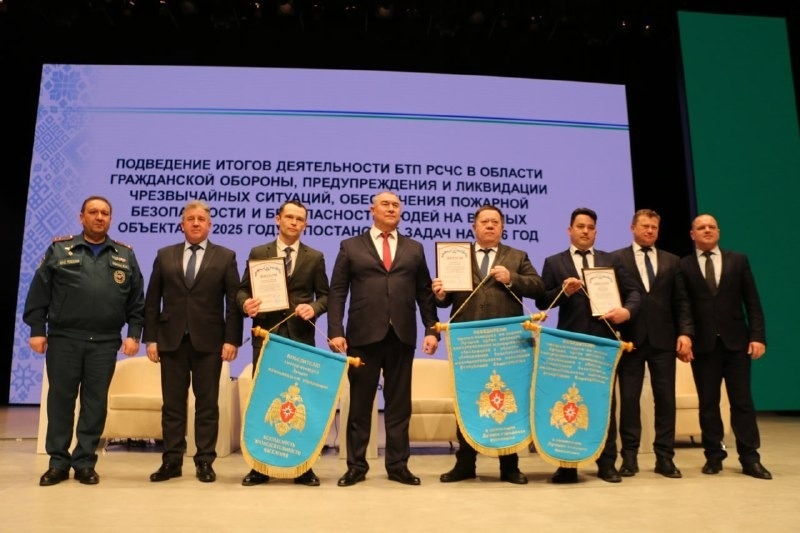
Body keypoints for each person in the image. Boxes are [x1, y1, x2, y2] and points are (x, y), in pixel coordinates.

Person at [24, 196, 145, 486]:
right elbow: (39, 293)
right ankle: (57, 462)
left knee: (95, 404)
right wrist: (37, 329)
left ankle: (84, 462)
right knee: (60, 401)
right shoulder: (59, 249)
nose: (99, 217)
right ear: (82, 217)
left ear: (110, 219)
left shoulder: (125, 255)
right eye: (93, 212)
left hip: (104, 342)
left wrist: (134, 334)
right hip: (64, 339)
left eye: (105, 213)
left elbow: (137, 301)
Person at [328, 191, 440, 487]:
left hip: (401, 335)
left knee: (399, 405)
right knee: (360, 405)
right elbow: (337, 292)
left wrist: (431, 330)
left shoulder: (414, 248)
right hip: (362, 336)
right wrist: (335, 330)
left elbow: (424, 293)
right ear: (372, 210)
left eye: (396, 205)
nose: (391, 209)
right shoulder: (351, 246)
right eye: (385, 204)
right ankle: (356, 466)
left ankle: (398, 465)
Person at [433, 205, 546, 485]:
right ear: (474, 227)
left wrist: (512, 279)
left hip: (507, 343)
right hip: (469, 343)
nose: (490, 226)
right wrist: (440, 294)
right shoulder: (457, 256)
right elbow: (445, 302)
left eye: (495, 222)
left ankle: (510, 466)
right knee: (468, 399)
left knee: (508, 399)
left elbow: (538, 287)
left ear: (502, 227)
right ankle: (465, 464)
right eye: (484, 221)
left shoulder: (517, 256)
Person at [535, 207, 641, 484]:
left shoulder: (611, 260)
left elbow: (633, 292)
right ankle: (567, 465)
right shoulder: (554, 262)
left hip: (603, 342)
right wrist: (563, 292)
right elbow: (542, 301)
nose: (585, 231)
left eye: (590, 227)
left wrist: (626, 311)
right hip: (569, 344)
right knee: (567, 403)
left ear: (596, 231)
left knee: (604, 403)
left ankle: (607, 463)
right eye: (580, 226)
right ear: (569, 230)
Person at [144, 199, 243, 483]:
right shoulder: (165, 255)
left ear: (209, 225)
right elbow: (152, 300)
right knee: (172, 406)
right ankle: (171, 461)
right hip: (171, 341)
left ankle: (205, 462)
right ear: (182, 224)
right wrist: (151, 338)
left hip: (209, 343)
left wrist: (232, 340)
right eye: (191, 219)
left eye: (201, 219)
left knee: (207, 405)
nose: (196, 223)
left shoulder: (225, 256)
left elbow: (233, 303)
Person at [237, 199, 329, 486]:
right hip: (267, 336)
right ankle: (260, 467)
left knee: (301, 403)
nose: (294, 222)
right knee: (263, 401)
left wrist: (313, 308)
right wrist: (246, 304)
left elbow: (326, 296)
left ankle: (302, 467)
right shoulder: (258, 252)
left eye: (299, 219)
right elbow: (241, 290)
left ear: (305, 225)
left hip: (300, 339)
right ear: (278, 219)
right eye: (289, 217)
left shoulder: (315, 257)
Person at [679, 214, 771, 479]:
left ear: (718, 232)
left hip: (737, 344)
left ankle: (750, 458)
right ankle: (713, 456)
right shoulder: (684, 265)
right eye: (701, 227)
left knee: (742, 402)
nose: (707, 230)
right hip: (703, 346)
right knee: (708, 404)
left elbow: (752, 301)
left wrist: (758, 336)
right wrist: (686, 335)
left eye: (712, 227)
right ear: (692, 234)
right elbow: (683, 305)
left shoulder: (738, 260)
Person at [611, 209, 693, 479]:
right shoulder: (616, 258)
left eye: (654, 227)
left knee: (665, 400)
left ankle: (665, 458)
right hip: (630, 340)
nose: (649, 231)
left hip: (664, 341)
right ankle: (629, 458)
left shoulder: (672, 260)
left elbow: (681, 301)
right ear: (633, 228)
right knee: (630, 400)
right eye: (645, 226)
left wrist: (685, 333)